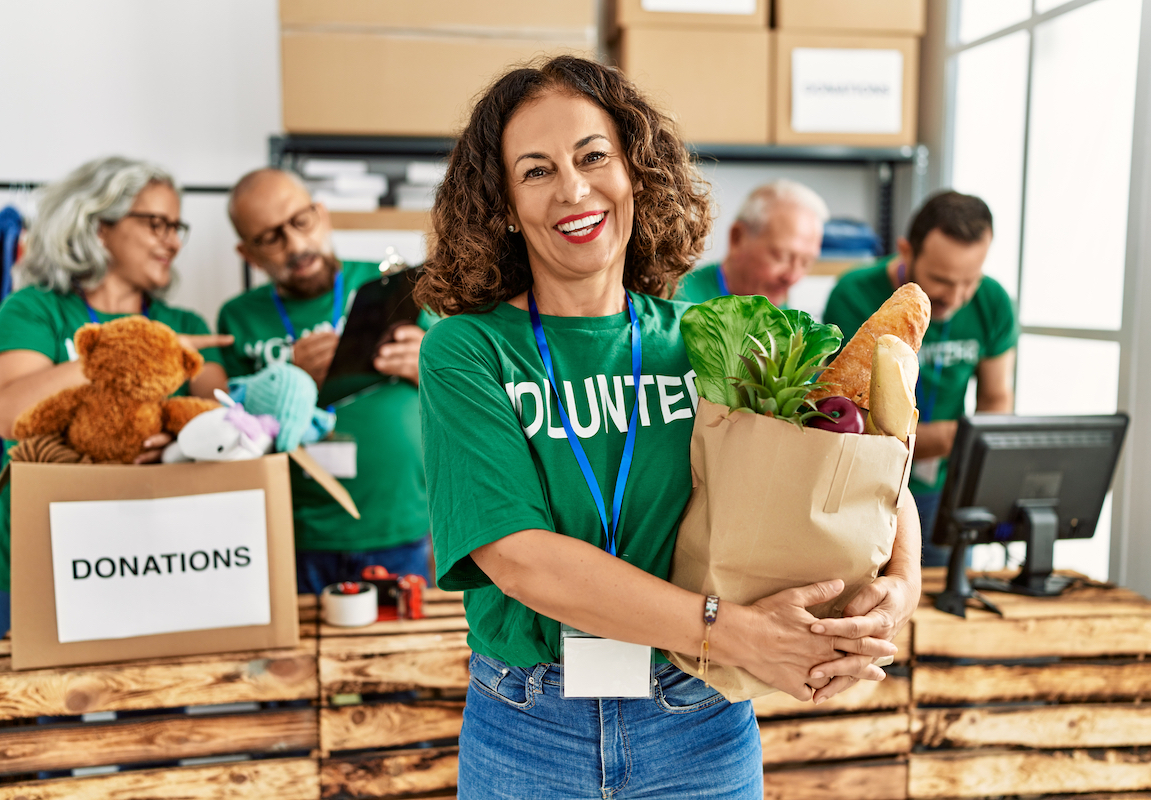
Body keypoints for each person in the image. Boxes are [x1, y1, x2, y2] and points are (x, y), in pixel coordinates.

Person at [415, 55, 920, 799]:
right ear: (502, 203)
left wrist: (899, 590)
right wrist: (731, 628)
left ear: (635, 173)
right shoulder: (469, 351)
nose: (574, 189)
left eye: (594, 157)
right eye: (536, 170)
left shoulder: (722, 337)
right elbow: (518, 558)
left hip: (696, 720)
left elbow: (864, 462)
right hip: (530, 726)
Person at [0, 156, 231, 647]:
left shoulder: (187, 323)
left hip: (156, 559)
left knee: (155, 717)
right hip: (40, 560)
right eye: (157, 223)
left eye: (178, 227)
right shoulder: (34, 309)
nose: (173, 241)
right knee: (35, 719)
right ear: (97, 225)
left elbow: (227, 423)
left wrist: (177, 444)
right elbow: (9, 414)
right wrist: (134, 349)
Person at [219, 168, 431, 593]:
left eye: (301, 221)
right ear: (249, 255)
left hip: (398, 522)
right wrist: (285, 380)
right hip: (292, 533)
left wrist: (428, 362)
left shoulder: (393, 286)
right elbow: (225, 426)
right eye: (270, 238)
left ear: (322, 214)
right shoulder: (237, 317)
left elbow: (470, 387)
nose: (296, 245)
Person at [823, 190, 1017, 566]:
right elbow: (842, 409)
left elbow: (996, 396)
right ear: (906, 251)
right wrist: (947, 437)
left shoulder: (993, 302)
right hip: (866, 483)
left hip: (947, 487)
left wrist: (966, 448)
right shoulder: (853, 294)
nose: (956, 296)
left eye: (970, 280)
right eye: (941, 280)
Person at [676, 179, 828, 305]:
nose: (792, 278)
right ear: (737, 238)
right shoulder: (675, 303)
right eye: (782, 256)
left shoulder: (782, 311)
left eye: (806, 262)